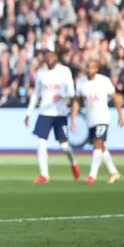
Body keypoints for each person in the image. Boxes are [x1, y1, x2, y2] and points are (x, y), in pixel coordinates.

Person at [25, 47, 79, 183]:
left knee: (64, 146)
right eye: (47, 57)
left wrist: (62, 96)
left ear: (56, 57)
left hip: (60, 113)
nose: (49, 59)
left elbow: (72, 92)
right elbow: (36, 94)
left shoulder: (64, 71)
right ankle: (44, 174)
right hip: (44, 112)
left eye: (52, 56)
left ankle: (73, 163)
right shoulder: (41, 73)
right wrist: (29, 113)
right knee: (41, 142)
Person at [72, 59, 124, 184]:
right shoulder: (81, 83)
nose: (89, 70)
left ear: (96, 69)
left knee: (97, 143)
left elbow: (115, 97)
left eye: (91, 67)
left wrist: (120, 115)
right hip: (90, 119)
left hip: (102, 117)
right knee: (101, 146)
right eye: (87, 67)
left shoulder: (104, 81)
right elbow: (77, 101)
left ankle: (92, 176)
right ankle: (113, 172)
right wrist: (73, 118)